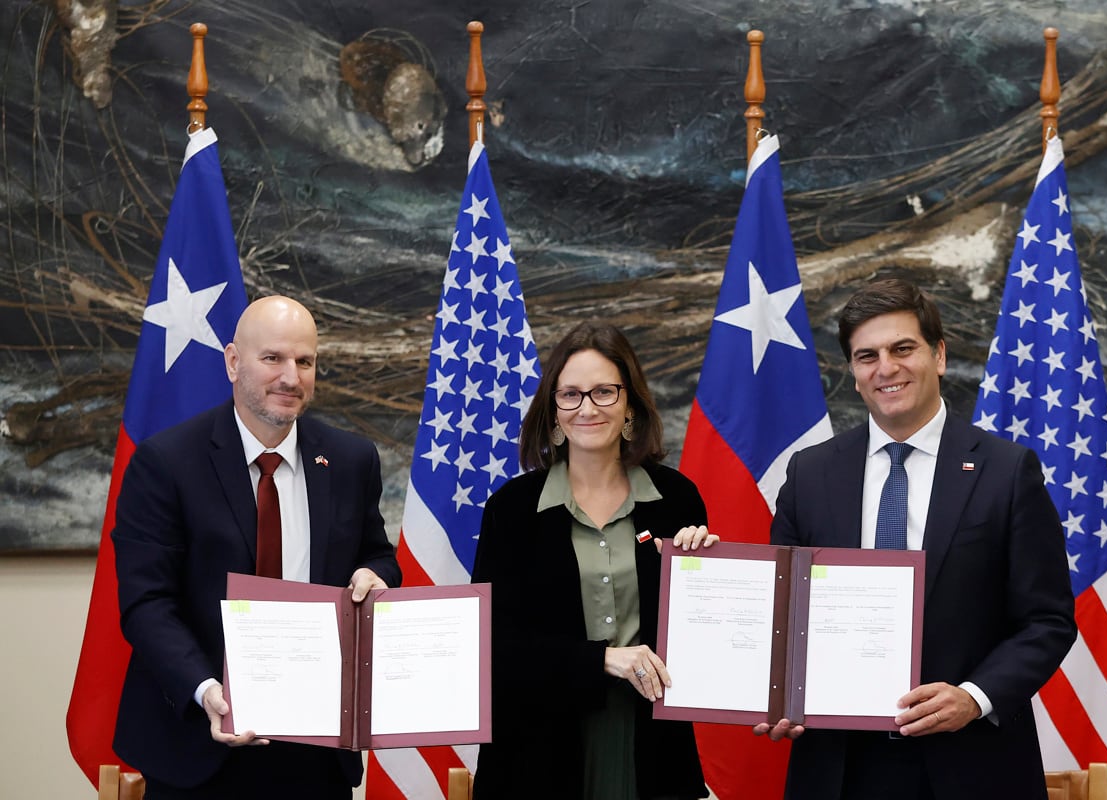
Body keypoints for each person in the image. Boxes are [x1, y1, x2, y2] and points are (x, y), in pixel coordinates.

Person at [754, 278, 1076, 800]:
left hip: (969, 763)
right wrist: (779, 697)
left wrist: (974, 697)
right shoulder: (810, 474)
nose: (886, 367)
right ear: (854, 374)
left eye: (903, 348)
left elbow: (1048, 619)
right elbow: (783, 615)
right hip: (838, 767)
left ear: (939, 355)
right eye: (867, 356)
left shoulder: (1007, 471)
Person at [111, 295, 400, 799]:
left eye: (304, 361)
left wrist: (376, 576)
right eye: (273, 358)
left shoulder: (351, 460)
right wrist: (207, 691)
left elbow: (378, 557)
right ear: (232, 361)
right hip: (201, 747)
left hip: (316, 753)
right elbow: (146, 604)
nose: (291, 377)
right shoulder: (167, 463)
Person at [471, 321, 715, 800]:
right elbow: (492, 649)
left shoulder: (677, 502)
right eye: (571, 395)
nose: (587, 408)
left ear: (629, 404)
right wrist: (600, 660)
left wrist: (704, 575)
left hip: (653, 747)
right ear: (554, 411)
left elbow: (705, 640)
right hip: (537, 755)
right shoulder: (513, 509)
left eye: (604, 392)